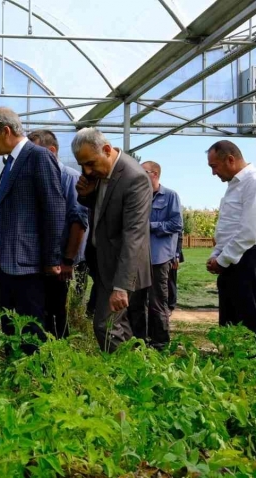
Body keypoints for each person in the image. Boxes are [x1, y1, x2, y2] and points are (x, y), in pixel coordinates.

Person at [0, 107, 66, 353]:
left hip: (30, 263)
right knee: (11, 328)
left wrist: (52, 258)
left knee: (30, 331)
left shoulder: (38, 156)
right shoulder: (11, 162)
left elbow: (54, 208)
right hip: (8, 264)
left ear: (6, 131)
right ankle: (15, 378)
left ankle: (34, 382)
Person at [73, 127, 152, 352]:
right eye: (83, 165)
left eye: (90, 163)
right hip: (105, 263)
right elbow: (105, 213)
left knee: (106, 326)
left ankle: (126, 376)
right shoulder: (102, 173)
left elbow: (134, 235)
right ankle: (137, 373)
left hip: (123, 267)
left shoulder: (134, 177)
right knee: (121, 328)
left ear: (107, 150)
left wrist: (121, 287)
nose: (87, 170)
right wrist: (87, 195)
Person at [206, 140, 256, 347]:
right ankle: (232, 370)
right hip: (235, 259)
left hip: (251, 258)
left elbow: (248, 231)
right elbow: (228, 227)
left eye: (214, 166)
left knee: (250, 323)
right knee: (230, 322)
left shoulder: (255, 182)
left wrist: (222, 260)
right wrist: (217, 254)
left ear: (230, 159)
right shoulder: (235, 184)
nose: (214, 173)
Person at [27, 129, 89, 339]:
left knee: (55, 312)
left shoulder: (70, 178)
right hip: (38, 260)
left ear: (51, 151)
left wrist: (67, 260)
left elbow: (78, 222)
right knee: (40, 311)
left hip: (59, 262)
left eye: (35, 151)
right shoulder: (36, 178)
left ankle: (60, 355)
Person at [128, 161, 182, 349]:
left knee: (157, 303)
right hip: (137, 258)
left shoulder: (170, 196)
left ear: (155, 174)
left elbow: (176, 225)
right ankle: (138, 342)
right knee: (135, 302)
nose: (139, 176)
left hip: (159, 258)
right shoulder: (137, 196)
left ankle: (160, 344)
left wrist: (151, 226)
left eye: (143, 172)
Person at [168, 232, 184, 312]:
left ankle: (171, 305)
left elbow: (179, 237)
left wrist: (177, 255)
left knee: (171, 280)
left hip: (173, 255)